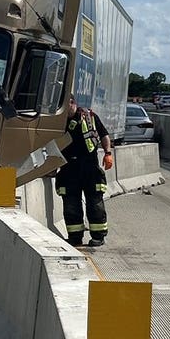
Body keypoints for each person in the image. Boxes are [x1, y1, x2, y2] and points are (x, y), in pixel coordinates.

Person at [56, 96, 112, 247]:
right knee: (71, 206)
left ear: (72, 103)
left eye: (63, 104)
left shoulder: (89, 117)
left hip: (90, 169)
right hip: (69, 170)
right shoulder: (57, 121)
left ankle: (98, 237)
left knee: (95, 204)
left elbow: (103, 134)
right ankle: (75, 238)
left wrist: (108, 153)